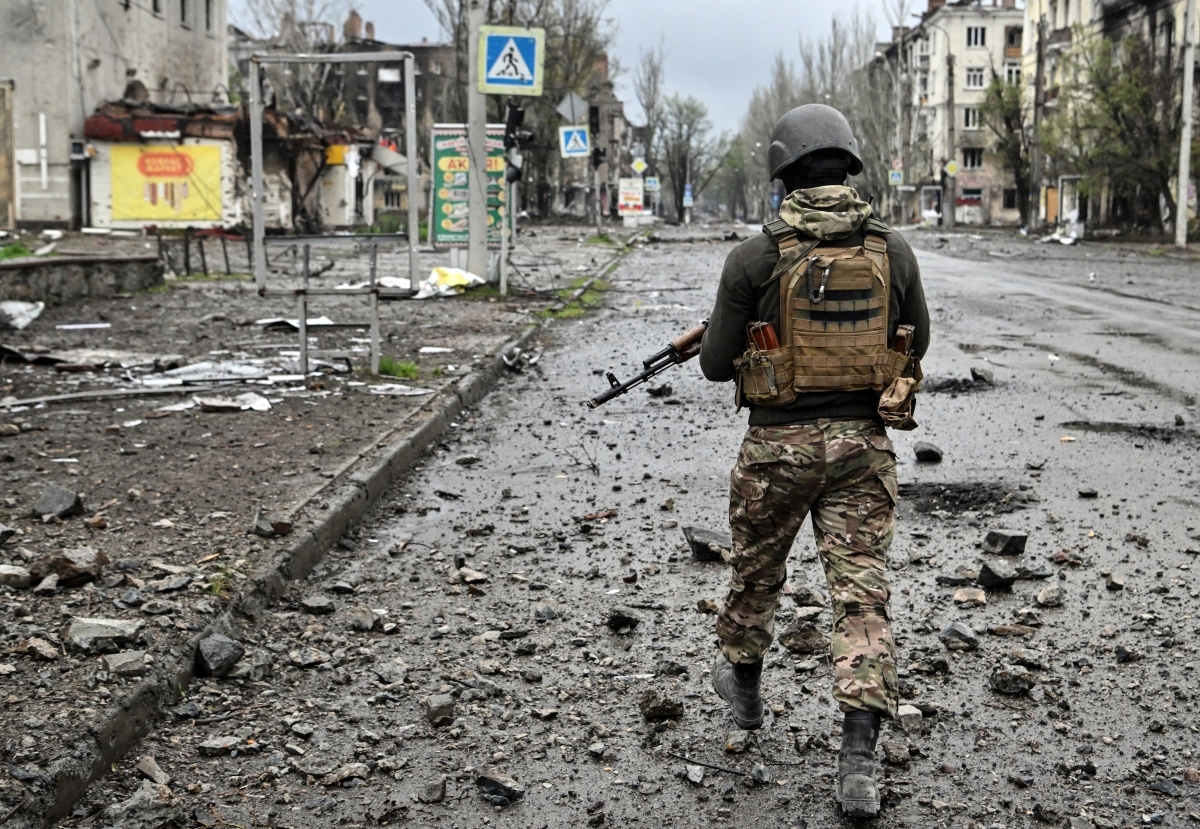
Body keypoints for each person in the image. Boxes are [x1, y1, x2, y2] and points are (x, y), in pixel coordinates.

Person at [699, 103, 930, 818]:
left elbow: (714, 363)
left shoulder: (754, 256)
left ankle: (744, 689)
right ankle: (858, 762)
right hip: (862, 449)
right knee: (861, 596)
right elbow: (916, 341)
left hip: (777, 449)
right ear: (848, 166)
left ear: (784, 173)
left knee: (757, 570)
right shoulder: (892, 249)